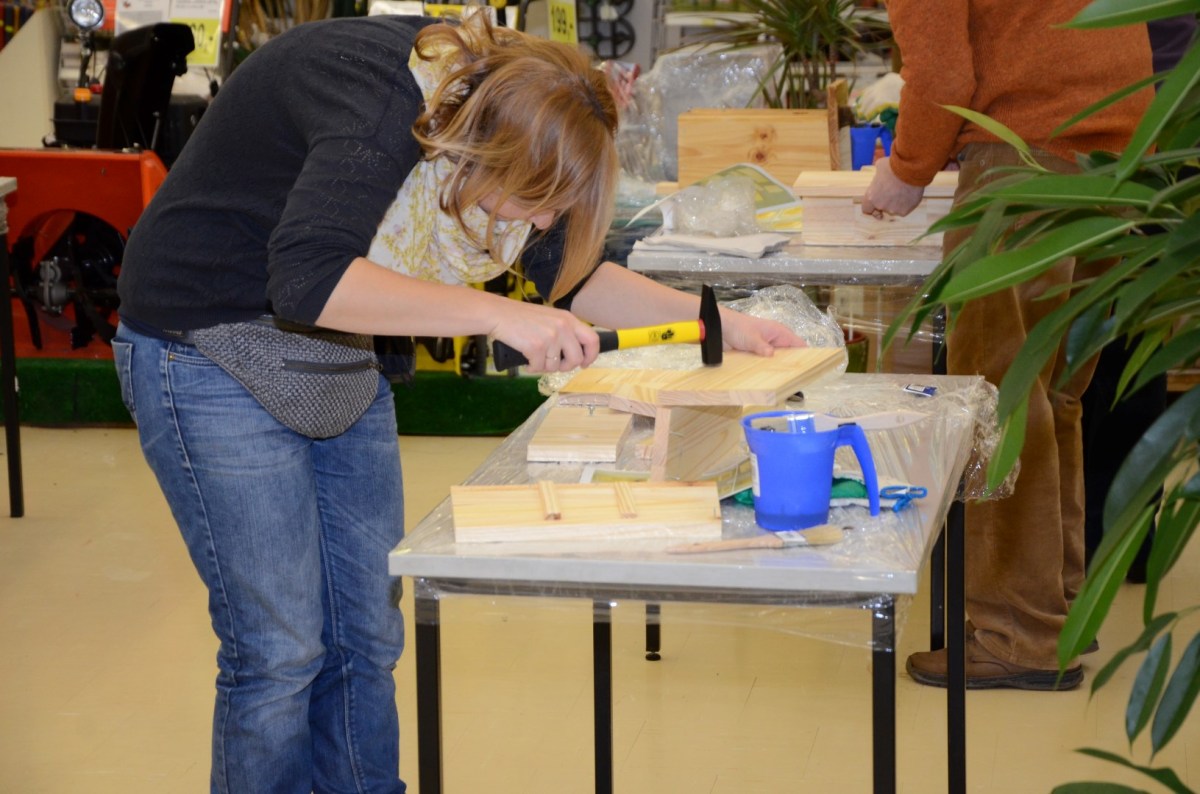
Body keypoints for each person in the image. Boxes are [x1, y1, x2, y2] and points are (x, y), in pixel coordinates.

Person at [112, 13, 805, 793]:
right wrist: (497, 314)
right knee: (279, 652)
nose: (540, 224)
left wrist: (720, 322)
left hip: (334, 343)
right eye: (535, 201)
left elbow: (568, 276)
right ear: (493, 152)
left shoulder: (499, 121)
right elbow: (308, 280)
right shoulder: (382, 102)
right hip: (203, 337)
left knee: (366, 634)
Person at [860, 1, 1153, 690]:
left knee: (999, 404)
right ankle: (1054, 613)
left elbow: (941, 74)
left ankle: (1016, 634)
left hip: (1021, 161)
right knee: (1054, 398)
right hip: (1113, 163)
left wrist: (906, 170)